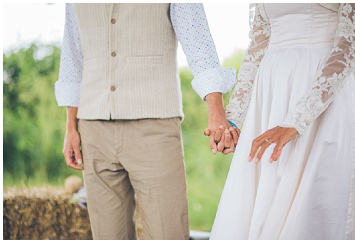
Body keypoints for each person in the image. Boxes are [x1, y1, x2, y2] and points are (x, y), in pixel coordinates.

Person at [54, 3, 236, 240]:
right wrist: (71, 126)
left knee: (167, 233)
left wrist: (216, 111)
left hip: (155, 125)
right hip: (93, 126)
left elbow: (197, 38)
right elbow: (72, 51)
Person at [208, 3, 355, 240]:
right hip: (270, 94)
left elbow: (348, 47)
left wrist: (297, 120)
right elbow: (256, 50)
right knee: (261, 202)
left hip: (320, 92)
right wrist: (232, 122)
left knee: (306, 205)